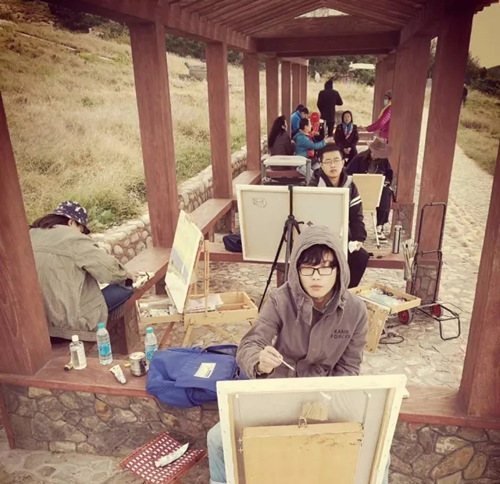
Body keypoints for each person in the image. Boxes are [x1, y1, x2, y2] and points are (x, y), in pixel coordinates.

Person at [207, 225, 369, 484]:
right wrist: (260, 362)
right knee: (217, 439)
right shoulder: (279, 300)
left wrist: (326, 401)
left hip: (325, 397)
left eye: (325, 268)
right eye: (308, 268)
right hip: (278, 391)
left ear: (339, 269)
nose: (316, 277)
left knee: (371, 449)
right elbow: (250, 344)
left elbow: (350, 368)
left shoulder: (356, 311)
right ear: (297, 270)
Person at [30, 200, 134, 340]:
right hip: (70, 327)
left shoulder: (29, 234)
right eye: (82, 230)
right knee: (125, 287)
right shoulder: (73, 238)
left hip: (36, 326)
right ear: (71, 222)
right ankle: (111, 339)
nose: (83, 234)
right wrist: (128, 276)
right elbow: (112, 271)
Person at [309, 145, 370, 287]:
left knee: (360, 257)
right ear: (321, 164)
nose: (333, 165)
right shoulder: (313, 186)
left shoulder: (350, 185)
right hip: (319, 238)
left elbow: (356, 216)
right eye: (328, 161)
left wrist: (358, 238)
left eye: (336, 160)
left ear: (343, 162)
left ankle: (345, 292)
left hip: (343, 237)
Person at [346, 138, 394, 241]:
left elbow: (389, 175)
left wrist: (385, 182)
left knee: (386, 192)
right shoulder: (360, 158)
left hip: (376, 190)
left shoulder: (384, 160)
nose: (377, 156)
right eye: (375, 153)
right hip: (358, 190)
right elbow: (347, 173)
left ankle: (380, 226)